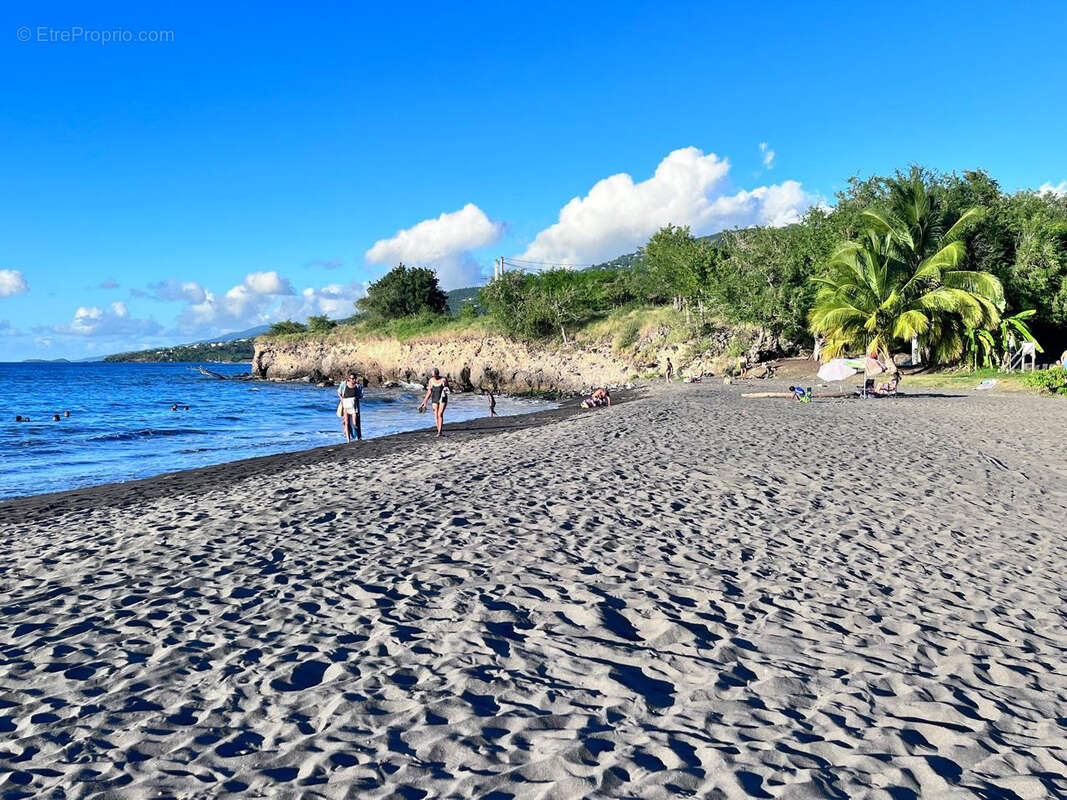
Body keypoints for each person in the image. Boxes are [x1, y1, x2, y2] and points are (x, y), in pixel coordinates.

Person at [419, 368, 449, 437]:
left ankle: (440, 432)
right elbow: (429, 392)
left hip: (443, 398)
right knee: (436, 416)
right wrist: (424, 401)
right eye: (433, 375)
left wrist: (445, 387)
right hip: (434, 399)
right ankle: (439, 431)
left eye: (435, 375)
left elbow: (447, 389)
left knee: (440, 414)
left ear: (437, 374)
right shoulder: (431, 381)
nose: (434, 377)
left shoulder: (443, 380)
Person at [337, 372, 363, 442]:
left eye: (355, 378)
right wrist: (341, 399)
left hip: (354, 406)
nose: (354, 380)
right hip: (345, 405)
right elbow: (339, 392)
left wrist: (356, 397)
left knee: (355, 423)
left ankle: (357, 436)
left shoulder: (357, 386)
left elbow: (361, 395)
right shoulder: (344, 384)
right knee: (346, 422)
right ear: (349, 379)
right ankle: (348, 440)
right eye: (352, 378)